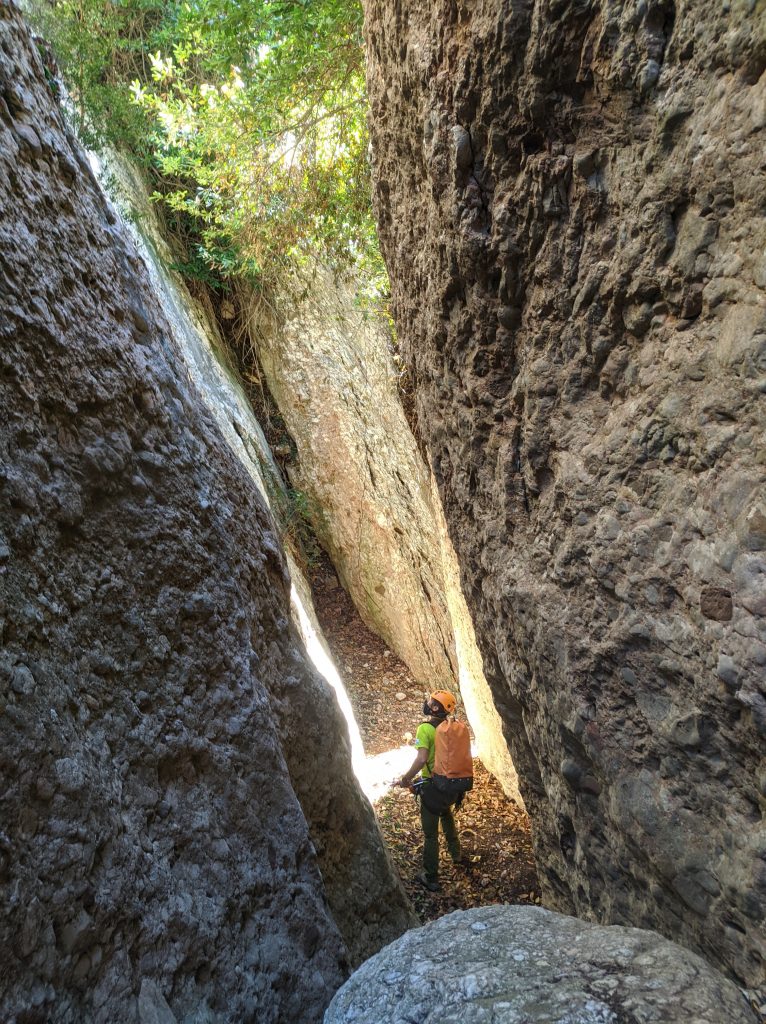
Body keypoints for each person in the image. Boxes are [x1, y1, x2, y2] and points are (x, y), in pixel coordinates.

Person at [398, 689, 466, 892]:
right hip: (452, 786)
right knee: (446, 814)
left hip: (433, 787)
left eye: (430, 702)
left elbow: (421, 759)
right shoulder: (452, 726)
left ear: (435, 708)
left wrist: (406, 778)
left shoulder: (425, 729)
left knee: (430, 834)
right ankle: (456, 855)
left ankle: (430, 876)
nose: (427, 704)